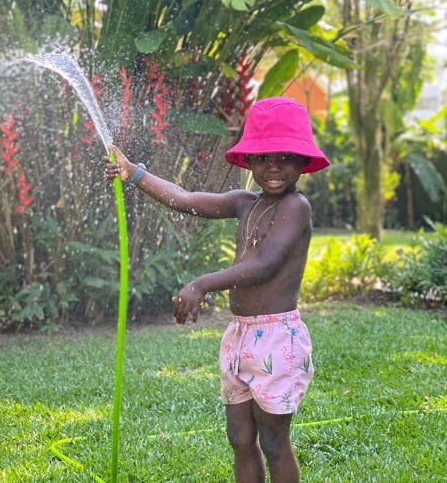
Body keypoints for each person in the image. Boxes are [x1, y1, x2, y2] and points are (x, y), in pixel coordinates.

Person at [103, 97, 330, 483]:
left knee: (274, 441)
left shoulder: (297, 207)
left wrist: (201, 283)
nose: (274, 166)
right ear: (250, 162)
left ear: (302, 162)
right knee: (240, 437)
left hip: (277, 339)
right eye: (263, 157)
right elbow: (187, 200)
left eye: (286, 157)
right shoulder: (245, 203)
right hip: (240, 334)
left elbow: (264, 265)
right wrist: (134, 174)